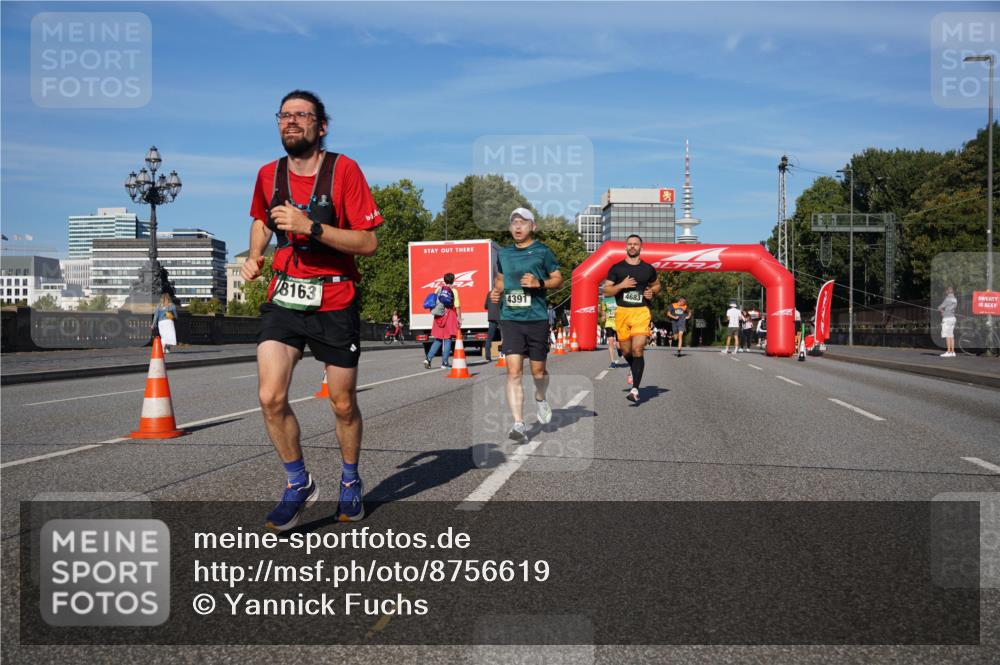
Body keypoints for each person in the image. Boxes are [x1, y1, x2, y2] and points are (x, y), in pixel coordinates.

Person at [243, 89, 382, 530]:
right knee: (270, 396)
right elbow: (262, 220)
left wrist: (312, 227)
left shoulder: (345, 171)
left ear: (322, 126)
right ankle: (297, 482)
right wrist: (255, 254)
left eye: (302, 115)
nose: (291, 122)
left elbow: (369, 243)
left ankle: (349, 479)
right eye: (285, 115)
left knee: (342, 404)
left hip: (335, 297)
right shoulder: (268, 174)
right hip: (286, 294)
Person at [491, 208, 562, 441]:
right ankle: (519, 424)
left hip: (536, 318)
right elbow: (500, 279)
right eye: (513, 223)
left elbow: (557, 279)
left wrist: (537, 282)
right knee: (513, 372)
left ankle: (540, 398)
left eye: (522, 222)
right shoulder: (504, 254)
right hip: (511, 318)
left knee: (538, 372)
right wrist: (496, 291)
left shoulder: (543, 251)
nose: (517, 227)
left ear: (533, 226)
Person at [604, 234, 660, 403]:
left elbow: (657, 285)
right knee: (626, 351)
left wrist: (653, 292)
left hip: (641, 312)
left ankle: (635, 390)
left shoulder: (648, 269)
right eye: (630, 244)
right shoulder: (616, 268)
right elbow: (606, 291)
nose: (633, 246)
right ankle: (633, 367)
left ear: (641, 247)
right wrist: (621, 285)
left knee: (637, 349)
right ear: (626, 247)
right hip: (622, 312)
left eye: (636, 244)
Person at [424, 273, 461, 369]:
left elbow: (434, 303)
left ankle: (428, 359)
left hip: (438, 317)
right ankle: (444, 363)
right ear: (453, 280)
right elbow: (457, 306)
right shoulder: (454, 291)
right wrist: (459, 318)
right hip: (449, 316)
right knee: (448, 339)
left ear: (444, 280)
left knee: (438, 339)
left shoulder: (438, 289)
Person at [938, 286, 957, 357]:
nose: (945, 292)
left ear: (947, 291)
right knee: (951, 335)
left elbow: (940, 307)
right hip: (953, 318)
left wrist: (941, 311)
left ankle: (948, 352)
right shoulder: (955, 299)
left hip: (947, 319)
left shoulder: (947, 299)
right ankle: (953, 352)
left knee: (947, 335)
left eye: (946, 291)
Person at [601, 293, 619, 368]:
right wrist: (603, 316)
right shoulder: (605, 300)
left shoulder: (618, 298)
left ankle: (619, 350)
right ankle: (613, 362)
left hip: (619, 324)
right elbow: (603, 310)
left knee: (619, 345)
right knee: (610, 343)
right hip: (609, 323)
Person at [484, 288, 501, 362]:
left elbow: (485, 306)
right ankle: (504, 354)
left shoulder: (489, 293)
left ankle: (488, 356)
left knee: (489, 338)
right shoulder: (502, 293)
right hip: (501, 317)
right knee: (505, 336)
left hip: (491, 317)